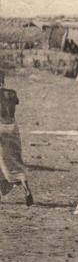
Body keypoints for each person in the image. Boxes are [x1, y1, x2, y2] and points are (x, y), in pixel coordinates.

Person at [0, 72, 33, 206]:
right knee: (15, 158)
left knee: (1, 161)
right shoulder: (12, 93)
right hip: (12, 127)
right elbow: (16, 102)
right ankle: (26, 187)